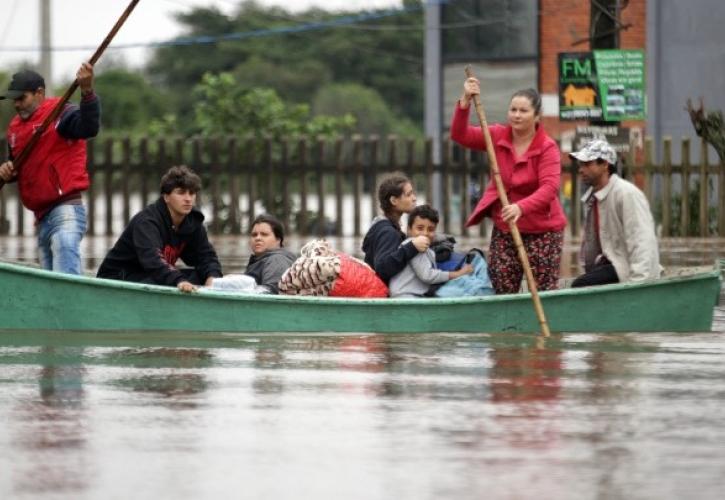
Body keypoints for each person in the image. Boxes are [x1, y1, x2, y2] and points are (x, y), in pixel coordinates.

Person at [451, 79, 567, 294]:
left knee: (543, 292)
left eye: (523, 111)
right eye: (513, 109)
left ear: (537, 116)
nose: (517, 115)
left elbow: (550, 188)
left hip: (543, 231)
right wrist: (465, 100)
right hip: (506, 227)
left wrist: (520, 207)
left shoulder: (547, 147)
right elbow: (460, 135)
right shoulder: (495, 135)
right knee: (501, 286)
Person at [0, 64, 101, 275]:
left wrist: (87, 91)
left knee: (64, 273)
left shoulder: (61, 113)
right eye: (14, 100)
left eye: (22, 98)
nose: (17, 104)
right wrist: (8, 171)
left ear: (39, 93)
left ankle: (72, 305)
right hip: (41, 218)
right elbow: (17, 166)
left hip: (65, 210)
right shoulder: (14, 129)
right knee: (50, 286)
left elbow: (89, 127)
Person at [96, 165, 222, 293]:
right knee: (168, 281)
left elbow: (206, 256)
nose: (188, 199)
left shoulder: (192, 222)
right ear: (166, 197)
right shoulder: (147, 222)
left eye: (192, 193)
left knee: (200, 275)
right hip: (118, 278)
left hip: (152, 275)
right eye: (181, 192)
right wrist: (179, 281)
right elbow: (153, 261)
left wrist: (213, 278)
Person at [569, 139, 661, 287]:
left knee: (580, 285)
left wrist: (640, 284)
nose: (581, 169)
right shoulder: (593, 198)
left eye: (587, 164)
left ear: (605, 164)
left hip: (627, 270)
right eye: (580, 164)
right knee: (582, 282)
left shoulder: (626, 194)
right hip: (610, 265)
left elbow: (641, 241)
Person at [389, 205, 473, 298]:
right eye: (420, 228)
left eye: (431, 229)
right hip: (405, 296)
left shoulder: (425, 248)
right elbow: (427, 276)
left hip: (411, 294)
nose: (425, 233)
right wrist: (458, 274)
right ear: (409, 229)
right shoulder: (415, 245)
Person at [362, 173, 428, 284]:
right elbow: (382, 269)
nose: (414, 198)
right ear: (394, 201)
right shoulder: (387, 232)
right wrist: (412, 247)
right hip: (382, 295)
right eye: (409, 194)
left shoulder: (385, 227)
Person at [241, 214, 296, 293]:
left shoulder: (277, 260)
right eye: (254, 235)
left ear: (278, 240)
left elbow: (271, 291)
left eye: (264, 234)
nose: (258, 238)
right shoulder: (262, 260)